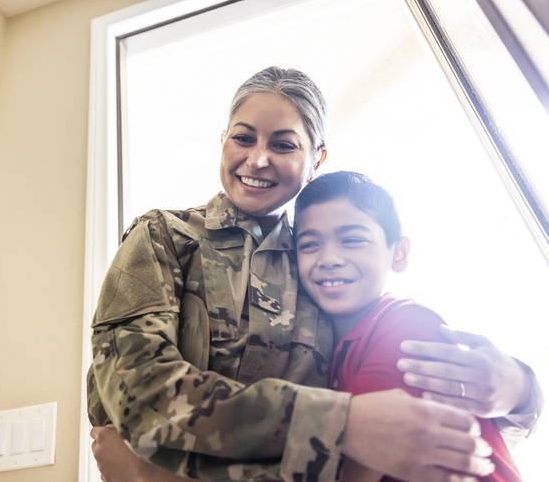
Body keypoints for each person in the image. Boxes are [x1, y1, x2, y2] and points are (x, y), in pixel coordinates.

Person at [87, 67, 542, 481]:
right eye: (243, 138)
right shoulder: (166, 235)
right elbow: (132, 390)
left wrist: (521, 392)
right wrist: (339, 421)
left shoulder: (320, 270)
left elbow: (414, 428)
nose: (258, 159)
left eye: (283, 144)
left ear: (317, 159)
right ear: (222, 140)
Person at [293, 171, 524, 481]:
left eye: (352, 240)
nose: (329, 258)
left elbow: (352, 471)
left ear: (399, 254)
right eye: (309, 245)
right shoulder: (324, 348)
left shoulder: (407, 326)